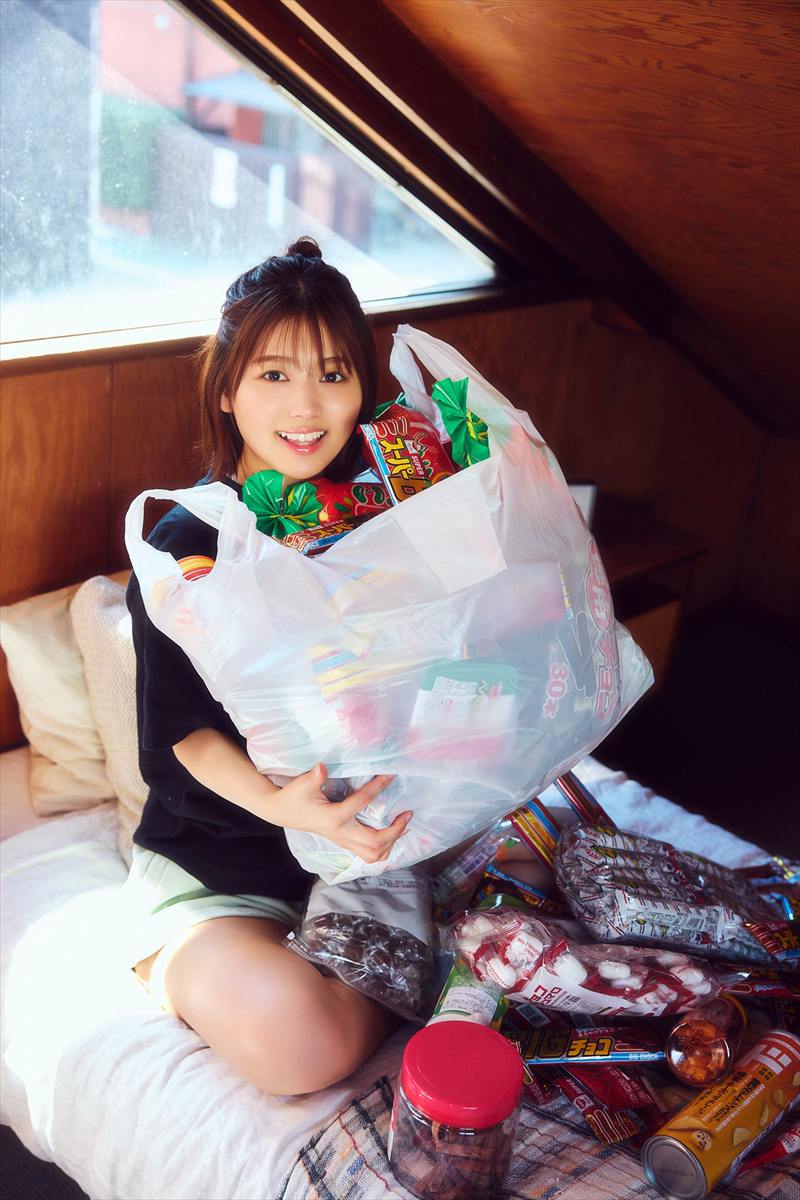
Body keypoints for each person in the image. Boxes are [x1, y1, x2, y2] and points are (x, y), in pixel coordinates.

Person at [124, 237, 413, 1096]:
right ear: (226, 387)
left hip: (372, 847)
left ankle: (390, 956)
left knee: (535, 863)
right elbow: (181, 735)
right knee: (300, 1049)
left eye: (333, 373)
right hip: (228, 865)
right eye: (274, 374)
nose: (307, 406)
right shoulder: (186, 548)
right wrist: (286, 807)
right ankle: (412, 972)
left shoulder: (383, 517)